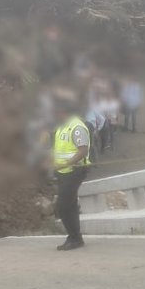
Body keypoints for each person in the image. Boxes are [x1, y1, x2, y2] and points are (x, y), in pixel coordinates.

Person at [52, 92, 92, 251]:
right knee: (70, 204)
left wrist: (66, 163)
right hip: (63, 172)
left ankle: (75, 237)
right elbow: (60, 149)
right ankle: (75, 237)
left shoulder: (77, 127)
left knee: (63, 205)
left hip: (75, 170)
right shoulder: (62, 126)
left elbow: (83, 150)